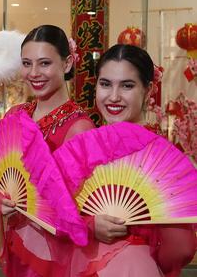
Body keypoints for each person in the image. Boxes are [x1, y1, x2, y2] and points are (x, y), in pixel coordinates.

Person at [65, 44, 196, 276]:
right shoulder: (78, 149)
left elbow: (182, 247)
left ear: (149, 89)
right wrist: (89, 226)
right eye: (105, 84)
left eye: (127, 85)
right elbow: (51, 214)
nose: (114, 97)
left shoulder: (162, 161)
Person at [0, 24, 95, 276]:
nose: (34, 73)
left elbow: (83, 207)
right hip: (17, 239)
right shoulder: (15, 115)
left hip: (56, 252)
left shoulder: (79, 128)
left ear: (67, 65)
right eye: (27, 63)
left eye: (44, 63)